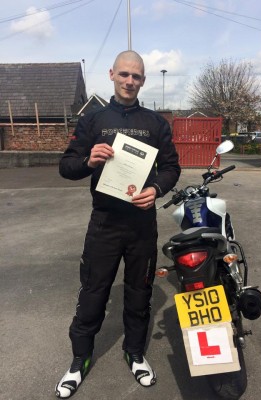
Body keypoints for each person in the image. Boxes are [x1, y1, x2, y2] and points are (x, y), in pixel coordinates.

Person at [55, 50, 181, 398]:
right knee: (93, 292)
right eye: (124, 74)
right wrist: (88, 160)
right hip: (105, 223)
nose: (129, 81)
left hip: (142, 224)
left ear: (143, 80)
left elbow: (172, 167)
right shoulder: (93, 120)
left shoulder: (156, 123)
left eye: (136, 76)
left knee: (139, 294)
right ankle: (79, 359)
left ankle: (135, 353)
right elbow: (66, 166)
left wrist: (156, 188)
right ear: (112, 74)